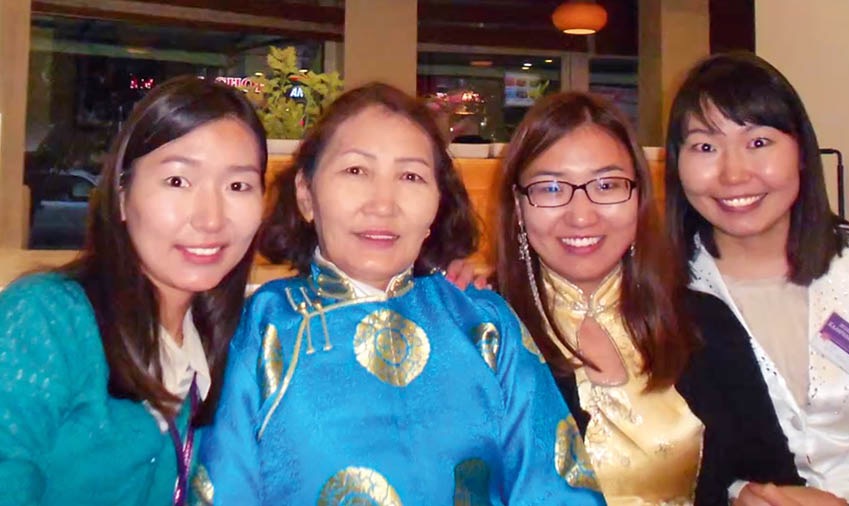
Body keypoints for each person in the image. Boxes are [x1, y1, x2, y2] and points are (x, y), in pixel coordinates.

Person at [196, 82, 606, 505]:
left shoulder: (484, 326)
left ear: (437, 204)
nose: (383, 204)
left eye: (411, 176)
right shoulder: (259, 329)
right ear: (306, 195)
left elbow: (558, 488)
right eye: (356, 171)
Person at [490, 91, 802, 505]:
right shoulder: (481, 330)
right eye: (550, 188)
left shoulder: (703, 323)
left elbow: (770, 479)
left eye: (607, 185)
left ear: (639, 197)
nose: (582, 215)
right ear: (518, 204)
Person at [0, 76, 267, 506]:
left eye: (237, 186)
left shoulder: (230, 347)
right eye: (178, 181)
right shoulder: (47, 319)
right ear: (122, 196)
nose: (211, 218)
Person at [666, 51, 849, 506]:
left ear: (802, 153)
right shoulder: (661, 291)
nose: (733, 174)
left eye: (758, 143)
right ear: (677, 163)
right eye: (705, 147)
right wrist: (735, 494)